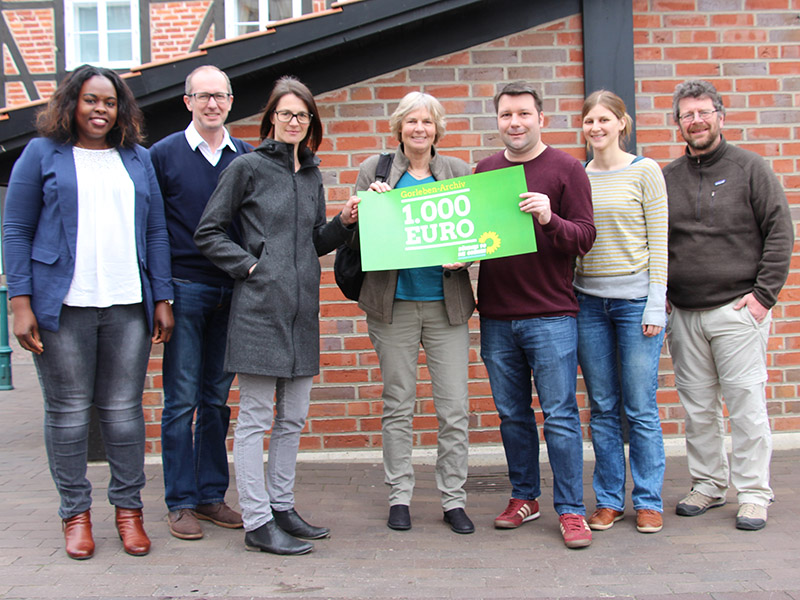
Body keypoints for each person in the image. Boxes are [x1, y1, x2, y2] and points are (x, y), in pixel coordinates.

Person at [3, 65, 174, 560]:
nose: (101, 109)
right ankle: (75, 515)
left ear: (121, 109)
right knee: (69, 414)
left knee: (123, 415)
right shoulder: (41, 155)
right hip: (63, 306)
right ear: (71, 104)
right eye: (91, 100)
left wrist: (161, 297)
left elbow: (156, 232)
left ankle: (128, 512)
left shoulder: (137, 159)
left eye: (110, 101)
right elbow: (15, 231)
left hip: (126, 304)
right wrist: (20, 303)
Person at [194, 75, 359, 555]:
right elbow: (209, 232)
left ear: (311, 124)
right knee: (255, 419)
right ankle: (256, 518)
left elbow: (314, 242)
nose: (293, 121)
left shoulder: (311, 175)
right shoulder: (246, 168)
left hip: (303, 313)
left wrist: (343, 223)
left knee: (293, 420)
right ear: (271, 119)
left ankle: (282, 507)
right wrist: (251, 267)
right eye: (285, 113)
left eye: (302, 115)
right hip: (259, 312)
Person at [664, 80, 793, 531]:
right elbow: (656, 242)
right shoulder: (666, 177)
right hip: (684, 313)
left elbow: (780, 232)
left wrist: (762, 298)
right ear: (677, 123)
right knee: (697, 408)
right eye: (687, 114)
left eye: (703, 112)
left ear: (720, 115)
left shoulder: (750, 168)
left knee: (745, 407)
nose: (695, 121)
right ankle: (709, 485)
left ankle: (754, 492)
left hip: (738, 312)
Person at [475, 81, 595, 549]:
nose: (515, 123)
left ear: (540, 118)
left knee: (561, 416)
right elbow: (478, 236)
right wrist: (459, 255)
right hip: (498, 315)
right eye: (506, 115)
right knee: (511, 415)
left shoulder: (566, 169)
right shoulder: (485, 171)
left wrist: (550, 218)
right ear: (498, 122)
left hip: (551, 315)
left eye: (523, 114)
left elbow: (584, 237)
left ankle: (571, 510)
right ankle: (525, 497)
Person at [352, 92, 476, 535]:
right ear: (399, 127)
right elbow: (360, 233)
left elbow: (477, 233)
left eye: (427, 121)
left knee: (454, 408)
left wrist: (467, 257)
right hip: (394, 304)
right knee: (398, 403)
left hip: (447, 306)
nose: (419, 128)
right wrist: (371, 204)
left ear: (437, 128)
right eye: (411, 121)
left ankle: (453, 499)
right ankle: (399, 495)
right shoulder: (376, 170)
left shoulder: (460, 171)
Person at [150, 65, 253, 540]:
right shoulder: (163, 156)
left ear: (231, 101)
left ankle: (211, 495)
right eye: (203, 95)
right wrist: (161, 295)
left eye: (221, 95)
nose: (213, 103)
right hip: (185, 290)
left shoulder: (247, 156)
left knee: (216, 399)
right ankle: (180, 503)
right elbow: (150, 231)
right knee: (181, 400)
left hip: (233, 293)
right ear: (187, 101)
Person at [574, 90, 668, 535]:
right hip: (587, 301)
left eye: (604, 119)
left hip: (635, 303)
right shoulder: (578, 175)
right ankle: (610, 500)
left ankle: (648, 501)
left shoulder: (645, 170)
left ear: (621, 123)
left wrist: (655, 301)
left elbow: (660, 242)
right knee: (603, 406)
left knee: (640, 406)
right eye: (589, 120)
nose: (596, 127)